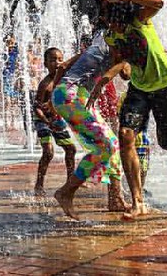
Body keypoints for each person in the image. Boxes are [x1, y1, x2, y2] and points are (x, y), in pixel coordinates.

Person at [97, 0, 167, 220]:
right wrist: (115, 72)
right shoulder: (110, 35)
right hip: (139, 89)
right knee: (126, 135)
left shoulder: (140, 19)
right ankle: (138, 201)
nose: (109, 22)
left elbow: (158, 1)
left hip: (166, 86)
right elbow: (123, 66)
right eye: (105, 16)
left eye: (110, 15)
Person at [51, 18, 133, 220]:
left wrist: (55, 94)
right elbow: (126, 74)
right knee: (107, 145)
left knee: (112, 142)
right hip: (72, 95)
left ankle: (115, 198)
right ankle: (66, 192)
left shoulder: (99, 40)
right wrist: (136, 58)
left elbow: (64, 67)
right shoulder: (113, 41)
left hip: (70, 94)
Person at [33, 47, 76, 195]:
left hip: (56, 118)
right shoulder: (45, 84)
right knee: (48, 152)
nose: (57, 63)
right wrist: (46, 121)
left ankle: (71, 181)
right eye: (52, 60)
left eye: (60, 59)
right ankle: (39, 184)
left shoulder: (64, 79)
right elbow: (37, 107)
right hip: (42, 119)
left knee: (71, 149)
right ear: (45, 64)